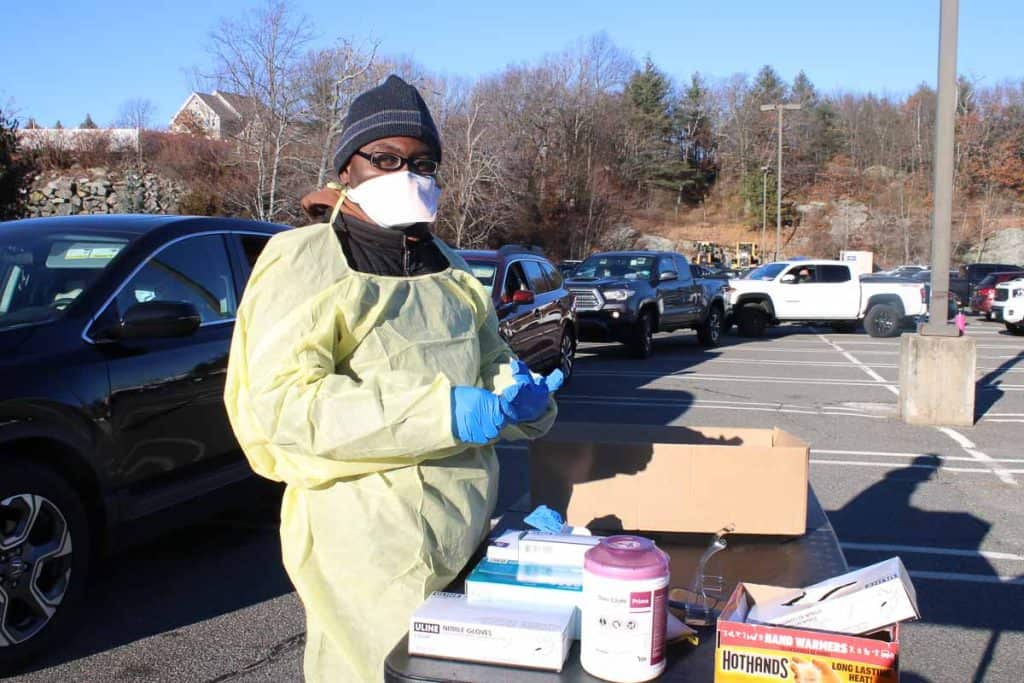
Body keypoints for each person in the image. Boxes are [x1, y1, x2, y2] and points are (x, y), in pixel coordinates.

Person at [224, 75, 563, 682]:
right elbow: (285, 404)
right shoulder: (307, 260)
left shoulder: (448, 265)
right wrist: (442, 413)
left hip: (464, 518)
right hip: (365, 533)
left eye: (423, 163)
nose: (406, 173)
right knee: (372, 670)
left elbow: (488, 358)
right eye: (385, 158)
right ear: (347, 168)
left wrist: (520, 398)